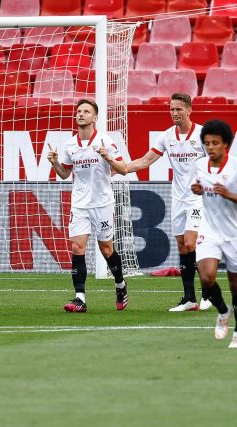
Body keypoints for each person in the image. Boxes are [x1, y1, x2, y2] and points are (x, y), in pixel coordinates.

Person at [127, 92, 211, 312]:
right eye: (171, 109)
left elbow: (218, 162)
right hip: (178, 198)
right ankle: (189, 298)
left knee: (193, 243)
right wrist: (120, 167)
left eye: (178, 109)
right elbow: (146, 160)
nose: (174, 113)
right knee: (183, 246)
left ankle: (208, 294)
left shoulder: (202, 134)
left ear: (189, 110)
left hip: (198, 199)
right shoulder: (166, 136)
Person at [47, 98, 129, 312]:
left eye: (86, 111)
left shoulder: (105, 141)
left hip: (102, 203)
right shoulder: (70, 144)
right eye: (79, 111)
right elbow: (65, 174)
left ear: (95, 117)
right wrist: (55, 162)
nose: (81, 114)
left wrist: (108, 158)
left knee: (106, 249)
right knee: (77, 247)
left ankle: (120, 285)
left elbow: (123, 169)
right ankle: (80, 298)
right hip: (80, 204)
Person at [190, 120, 237, 349]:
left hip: (234, 234)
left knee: (236, 285)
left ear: (226, 144)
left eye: (215, 143)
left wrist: (229, 195)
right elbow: (198, 186)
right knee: (206, 277)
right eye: (207, 143)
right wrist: (196, 189)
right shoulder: (199, 165)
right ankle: (222, 310)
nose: (210, 147)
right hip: (209, 230)